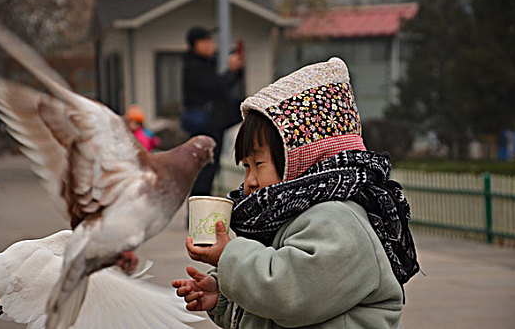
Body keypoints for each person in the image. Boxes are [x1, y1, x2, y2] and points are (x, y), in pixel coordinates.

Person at [172, 57, 420, 328]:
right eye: (245, 167)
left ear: (299, 160)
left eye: (258, 165)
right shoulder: (294, 218)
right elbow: (273, 302)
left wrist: (229, 256)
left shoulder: (339, 220)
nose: (249, 182)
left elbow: (285, 292)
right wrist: (223, 294)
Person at [181, 25, 244, 196]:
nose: (212, 45)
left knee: (208, 172)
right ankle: (197, 216)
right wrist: (230, 71)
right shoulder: (194, 67)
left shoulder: (205, 64)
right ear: (196, 44)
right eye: (207, 41)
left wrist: (234, 72)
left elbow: (221, 88)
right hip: (205, 127)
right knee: (203, 172)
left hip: (213, 125)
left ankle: (199, 214)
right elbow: (216, 87)